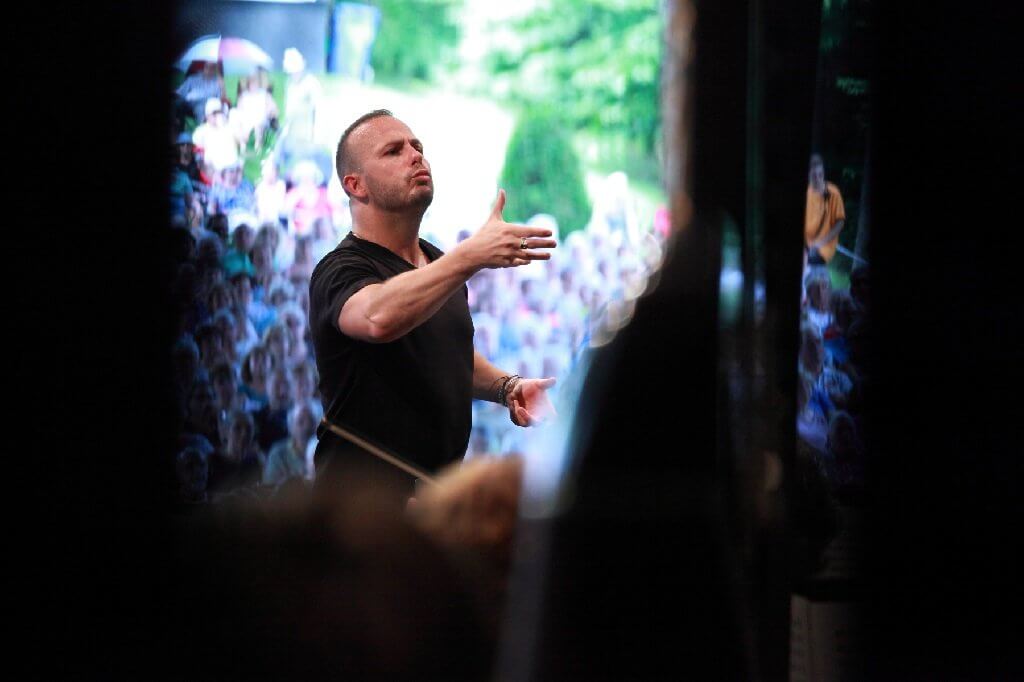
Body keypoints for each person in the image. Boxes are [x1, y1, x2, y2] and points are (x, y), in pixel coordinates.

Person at [308, 110, 558, 498]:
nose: (415, 156)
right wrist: (470, 256)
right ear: (356, 185)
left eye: (417, 147)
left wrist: (506, 386)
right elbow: (377, 318)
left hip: (433, 500)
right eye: (393, 151)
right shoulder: (340, 269)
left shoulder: (439, 264)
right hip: (358, 508)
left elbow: (444, 352)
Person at [804, 153, 847, 265]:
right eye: (814, 176)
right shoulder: (807, 193)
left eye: (820, 174)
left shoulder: (833, 192)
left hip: (824, 247)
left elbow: (840, 223)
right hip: (806, 245)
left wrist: (820, 243)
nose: (818, 179)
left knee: (810, 262)